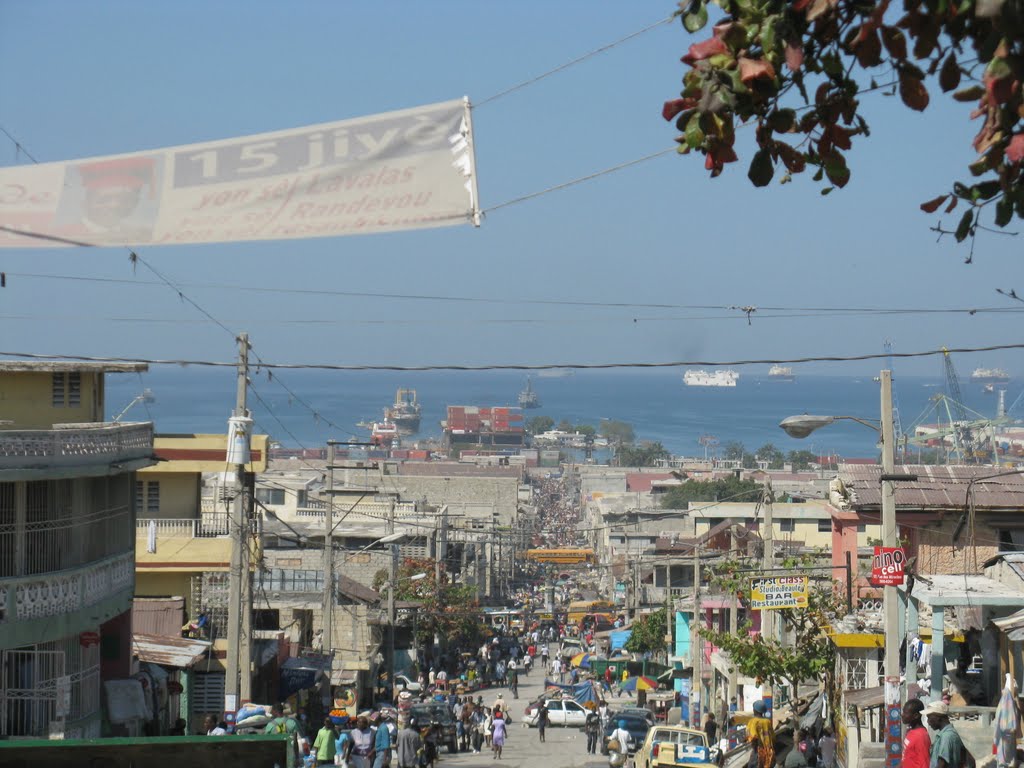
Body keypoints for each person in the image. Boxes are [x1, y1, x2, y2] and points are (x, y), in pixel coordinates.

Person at [924, 701, 976, 768]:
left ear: (938, 717)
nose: (928, 722)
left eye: (929, 717)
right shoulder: (949, 734)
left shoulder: (947, 736)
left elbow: (941, 764)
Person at [747, 700, 776, 768]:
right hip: (769, 751)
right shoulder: (767, 722)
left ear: (755, 710)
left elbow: (753, 738)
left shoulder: (753, 722)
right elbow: (773, 737)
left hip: (758, 751)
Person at [901, 701, 930, 768]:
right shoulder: (911, 731)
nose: (902, 715)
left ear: (916, 716)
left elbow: (924, 764)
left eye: (905, 713)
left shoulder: (921, 736)